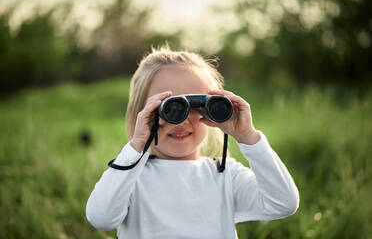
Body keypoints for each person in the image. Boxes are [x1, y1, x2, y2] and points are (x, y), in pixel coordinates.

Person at [86, 45, 299, 239]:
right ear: (142, 114)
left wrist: (248, 136)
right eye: (171, 108)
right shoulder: (130, 178)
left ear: (212, 110)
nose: (183, 120)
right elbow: (101, 217)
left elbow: (283, 203)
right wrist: (135, 147)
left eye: (196, 106)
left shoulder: (225, 175)